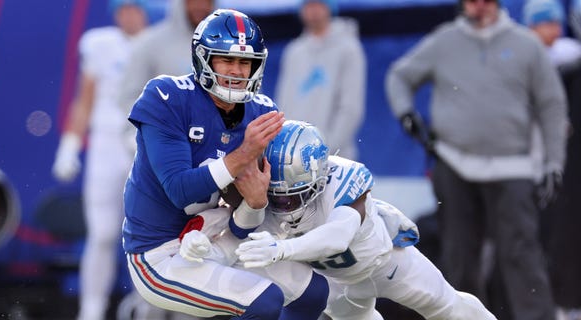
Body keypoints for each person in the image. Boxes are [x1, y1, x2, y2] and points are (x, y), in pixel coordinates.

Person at [123, 9, 329, 319]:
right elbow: (180, 191)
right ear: (204, 58)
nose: (236, 71)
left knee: (313, 293)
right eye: (226, 60)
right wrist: (243, 153)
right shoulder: (166, 97)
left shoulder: (261, 112)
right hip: (159, 253)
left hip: (218, 238)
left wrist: (257, 202)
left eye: (244, 62)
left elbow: (242, 225)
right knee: (264, 301)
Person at [385, 0, 569, 319]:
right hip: (454, 164)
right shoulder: (444, 40)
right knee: (459, 258)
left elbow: (552, 106)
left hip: (513, 167)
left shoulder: (525, 45)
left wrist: (554, 162)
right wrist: (406, 114)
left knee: (522, 255)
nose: (477, 6)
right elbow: (399, 76)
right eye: (470, 0)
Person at [228, 120, 497, 320]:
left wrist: (283, 249)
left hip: (387, 264)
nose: (282, 206)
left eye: (292, 198)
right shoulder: (262, 196)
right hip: (337, 287)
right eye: (276, 197)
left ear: (319, 179)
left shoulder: (343, 178)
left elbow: (337, 237)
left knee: (447, 307)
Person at [51, 1, 148, 319]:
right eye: (123, 8)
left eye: (135, 8)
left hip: (144, 145)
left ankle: (145, 307)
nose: (128, 15)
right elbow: (85, 99)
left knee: (146, 234)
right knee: (102, 233)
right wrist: (70, 143)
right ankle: (90, 310)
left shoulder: (160, 42)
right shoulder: (100, 43)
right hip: (106, 144)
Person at [523, 1, 581, 319]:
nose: (555, 31)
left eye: (558, 24)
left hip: (555, 166)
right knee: (539, 240)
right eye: (548, 23)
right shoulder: (522, 57)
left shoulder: (567, 56)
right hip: (531, 167)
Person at [274, 0, 366, 160]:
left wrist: (324, 150)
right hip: (293, 161)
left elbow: (351, 108)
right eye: (308, 4)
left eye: (319, 3)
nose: (313, 10)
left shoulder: (349, 49)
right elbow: (283, 103)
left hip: (335, 160)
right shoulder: (294, 51)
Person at [118, 0, 214, 117]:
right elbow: (129, 96)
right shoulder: (149, 42)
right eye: (193, 2)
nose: (200, 7)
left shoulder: (223, 46)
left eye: (206, 2)